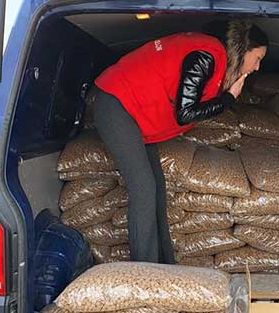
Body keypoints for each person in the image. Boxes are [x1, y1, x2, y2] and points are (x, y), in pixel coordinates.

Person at [87, 20, 269, 263]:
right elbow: (186, 112)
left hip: (136, 112)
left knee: (157, 188)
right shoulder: (208, 55)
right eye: (257, 58)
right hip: (117, 104)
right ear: (242, 49)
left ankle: (164, 264)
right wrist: (228, 99)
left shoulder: (212, 55)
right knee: (143, 187)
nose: (257, 67)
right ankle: (144, 271)